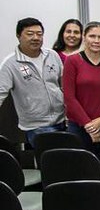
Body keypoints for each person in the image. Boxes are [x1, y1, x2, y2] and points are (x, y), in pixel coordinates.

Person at [0, 18, 65, 147]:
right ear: (19, 36)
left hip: (62, 119)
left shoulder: (52, 55)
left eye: (39, 34)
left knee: (67, 162)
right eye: (30, 34)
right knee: (49, 162)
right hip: (36, 125)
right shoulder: (10, 63)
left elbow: (63, 84)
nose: (36, 38)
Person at [62, 21, 100, 152]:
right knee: (82, 168)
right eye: (92, 36)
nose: (96, 40)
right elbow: (69, 97)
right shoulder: (72, 61)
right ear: (84, 37)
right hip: (79, 126)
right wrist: (89, 126)